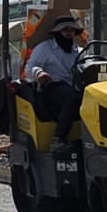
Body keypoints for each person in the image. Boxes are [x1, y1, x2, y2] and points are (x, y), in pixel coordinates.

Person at [26, 15, 84, 153]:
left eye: (72, 30)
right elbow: (29, 68)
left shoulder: (80, 51)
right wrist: (39, 73)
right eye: (65, 30)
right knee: (72, 98)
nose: (69, 33)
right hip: (52, 87)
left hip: (75, 86)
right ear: (57, 32)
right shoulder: (44, 49)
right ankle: (58, 139)